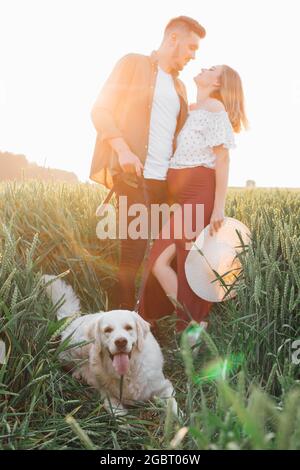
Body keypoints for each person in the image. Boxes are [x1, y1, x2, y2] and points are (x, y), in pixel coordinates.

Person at [90, 16, 206, 309]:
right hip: (133, 177)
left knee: (165, 255)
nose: (193, 55)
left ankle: (149, 319)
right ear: (173, 39)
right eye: (191, 47)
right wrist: (122, 150)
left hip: (165, 184)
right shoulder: (133, 64)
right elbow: (101, 110)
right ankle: (122, 327)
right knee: (132, 255)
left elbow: (179, 136)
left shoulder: (180, 87)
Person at [138, 64, 248, 332]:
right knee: (170, 259)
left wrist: (217, 208)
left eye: (211, 69)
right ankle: (192, 323)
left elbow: (222, 159)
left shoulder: (214, 108)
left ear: (219, 84)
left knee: (163, 260)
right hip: (183, 196)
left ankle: (193, 323)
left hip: (199, 194)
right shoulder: (191, 109)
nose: (203, 68)